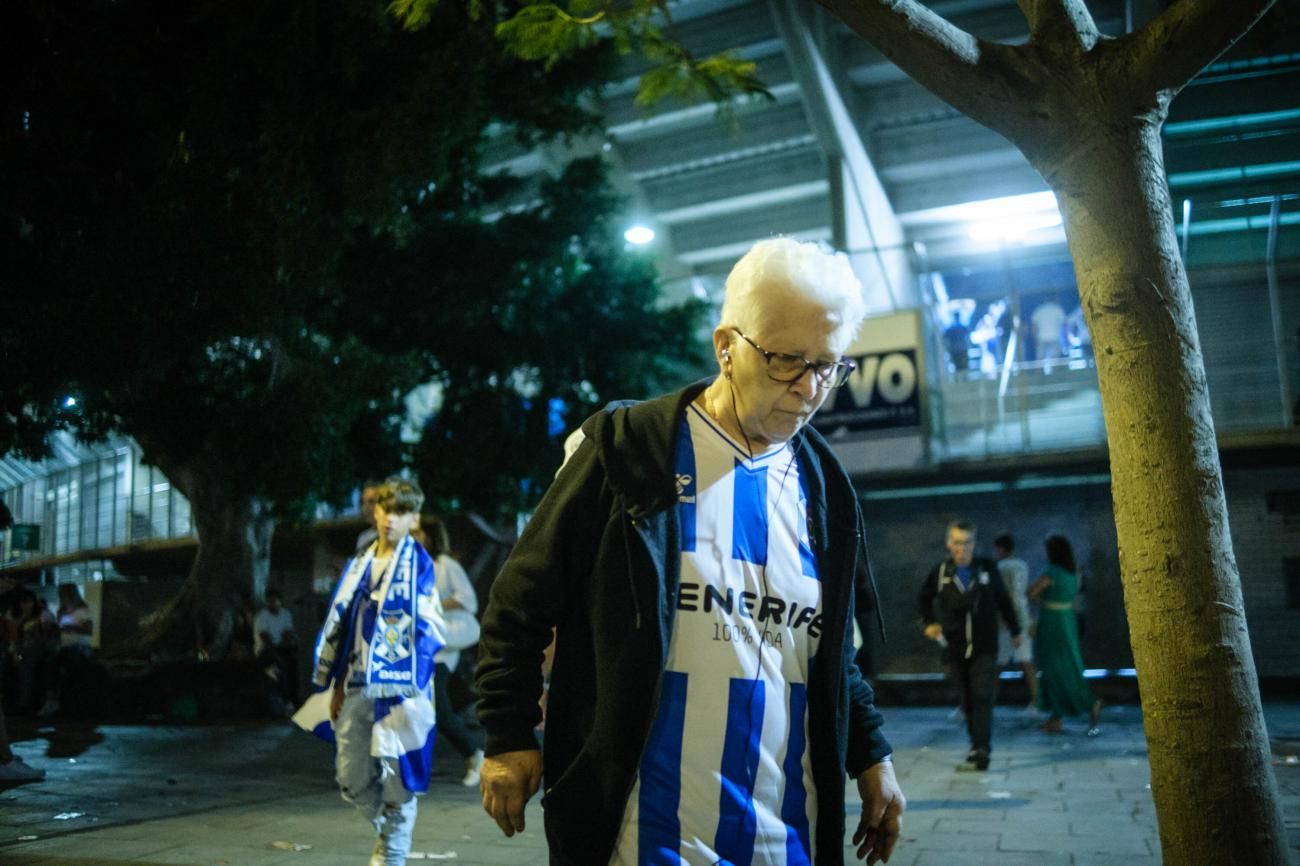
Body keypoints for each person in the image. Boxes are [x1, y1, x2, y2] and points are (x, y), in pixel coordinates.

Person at [476, 237, 905, 866]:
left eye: (830, 366)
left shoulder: (825, 486)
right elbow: (518, 603)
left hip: (789, 836)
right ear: (726, 345)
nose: (810, 388)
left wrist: (871, 755)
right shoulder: (627, 452)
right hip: (641, 836)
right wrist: (508, 735)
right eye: (787, 360)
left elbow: (826, 648)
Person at [293, 478, 447, 866]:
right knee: (351, 777)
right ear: (375, 511)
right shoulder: (359, 564)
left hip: (402, 690)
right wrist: (339, 684)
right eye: (384, 509)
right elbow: (342, 627)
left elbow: (432, 627)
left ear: (414, 519)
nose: (389, 519)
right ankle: (391, 837)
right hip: (358, 684)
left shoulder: (420, 565)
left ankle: (391, 854)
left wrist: (412, 677)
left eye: (400, 512)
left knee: (397, 777)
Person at [918, 520, 1021, 771]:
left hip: (985, 645)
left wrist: (1015, 630)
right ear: (948, 544)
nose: (961, 548)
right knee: (966, 698)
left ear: (974, 544)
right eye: (956, 542)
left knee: (982, 694)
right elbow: (923, 598)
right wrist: (929, 623)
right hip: (954, 647)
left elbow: (1003, 600)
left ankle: (982, 748)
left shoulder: (986, 568)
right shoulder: (941, 572)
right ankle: (975, 742)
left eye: (966, 543)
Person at [421, 515, 486, 787]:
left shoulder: (445, 565)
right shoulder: (413, 564)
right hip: (418, 645)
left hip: (441, 647)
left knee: (438, 709)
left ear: (430, 536)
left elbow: (467, 600)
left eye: (417, 532)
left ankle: (474, 753)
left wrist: (433, 604)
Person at [1027, 535, 1101, 736]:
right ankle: (1057, 717)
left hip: (1052, 622)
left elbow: (1031, 592)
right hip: (1067, 619)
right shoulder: (1073, 571)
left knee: (1053, 667)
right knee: (1069, 664)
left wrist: (1042, 601)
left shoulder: (1051, 572)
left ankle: (1087, 704)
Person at [993, 533, 1037, 713]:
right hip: (1023, 618)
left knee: (997, 664)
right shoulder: (1022, 565)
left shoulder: (1001, 567)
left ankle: (988, 701)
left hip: (1006, 621)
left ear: (1001, 549)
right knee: (1026, 662)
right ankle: (1035, 701)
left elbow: (1004, 597)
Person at [37, 583, 94, 720]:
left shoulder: (83, 610)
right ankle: (51, 699)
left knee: (60, 664)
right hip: (63, 646)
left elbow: (88, 630)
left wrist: (71, 627)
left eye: (64, 594)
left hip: (79, 645)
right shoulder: (61, 610)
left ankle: (55, 701)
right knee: (49, 663)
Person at [254, 588, 298, 716]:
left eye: (275, 601)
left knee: (291, 664)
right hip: (264, 653)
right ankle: (282, 703)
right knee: (278, 670)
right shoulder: (262, 617)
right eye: (270, 601)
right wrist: (278, 655)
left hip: (281, 649)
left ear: (280, 601)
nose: (273, 604)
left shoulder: (286, 614)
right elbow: (265, 639)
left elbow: (287, 634)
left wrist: (283, 649)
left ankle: (291, 700)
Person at [356, 480, 383, 555]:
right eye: (363, 502)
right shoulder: (363, 538)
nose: (365, 508)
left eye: (371, 502)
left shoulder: (392, 537)